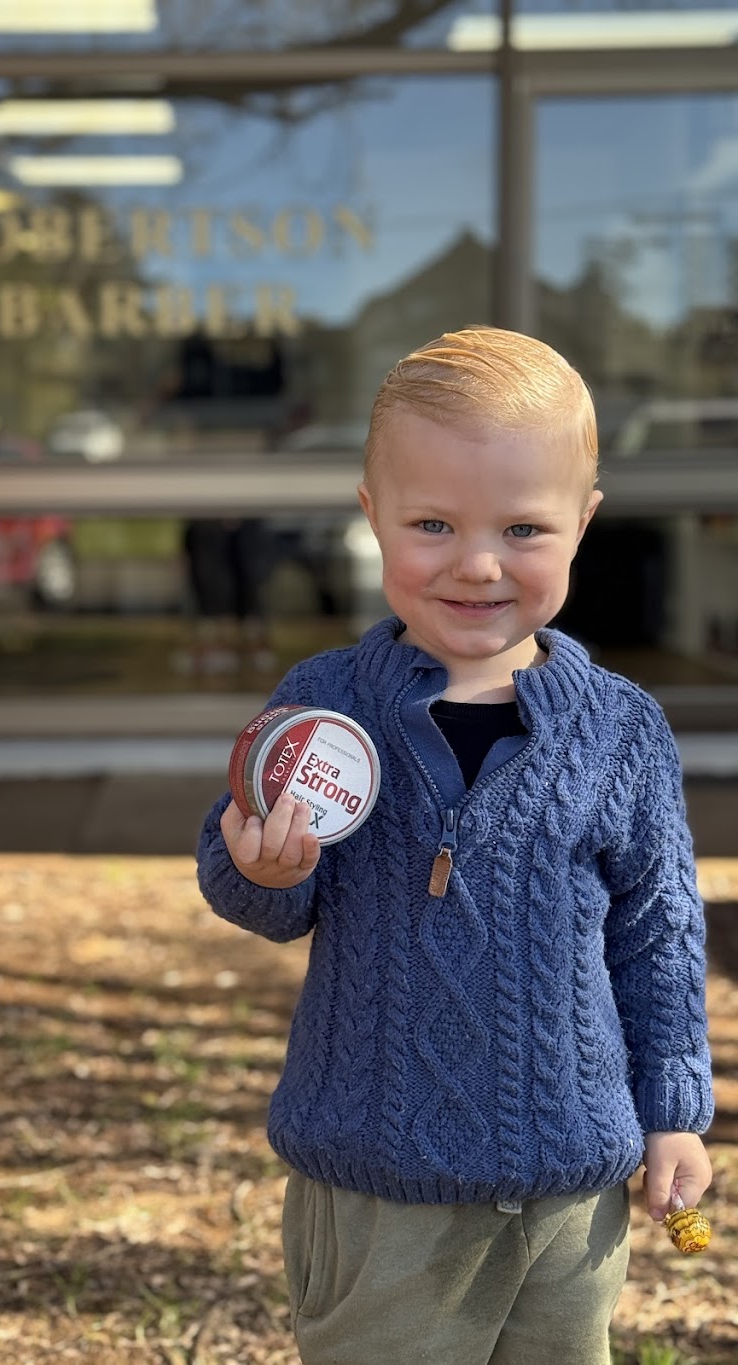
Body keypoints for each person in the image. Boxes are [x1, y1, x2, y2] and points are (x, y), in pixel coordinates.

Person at [195, 326, 714, 1365]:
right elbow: (252, 880)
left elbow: (657, 932)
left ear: (583, 524)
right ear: (371, 518)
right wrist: (258, 869)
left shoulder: (619, 729)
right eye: (431, 523)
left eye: (523, 529)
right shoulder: (322, 707)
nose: (476, 564)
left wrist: (674, 1111)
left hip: (571, 1187)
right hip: (378, 1184)